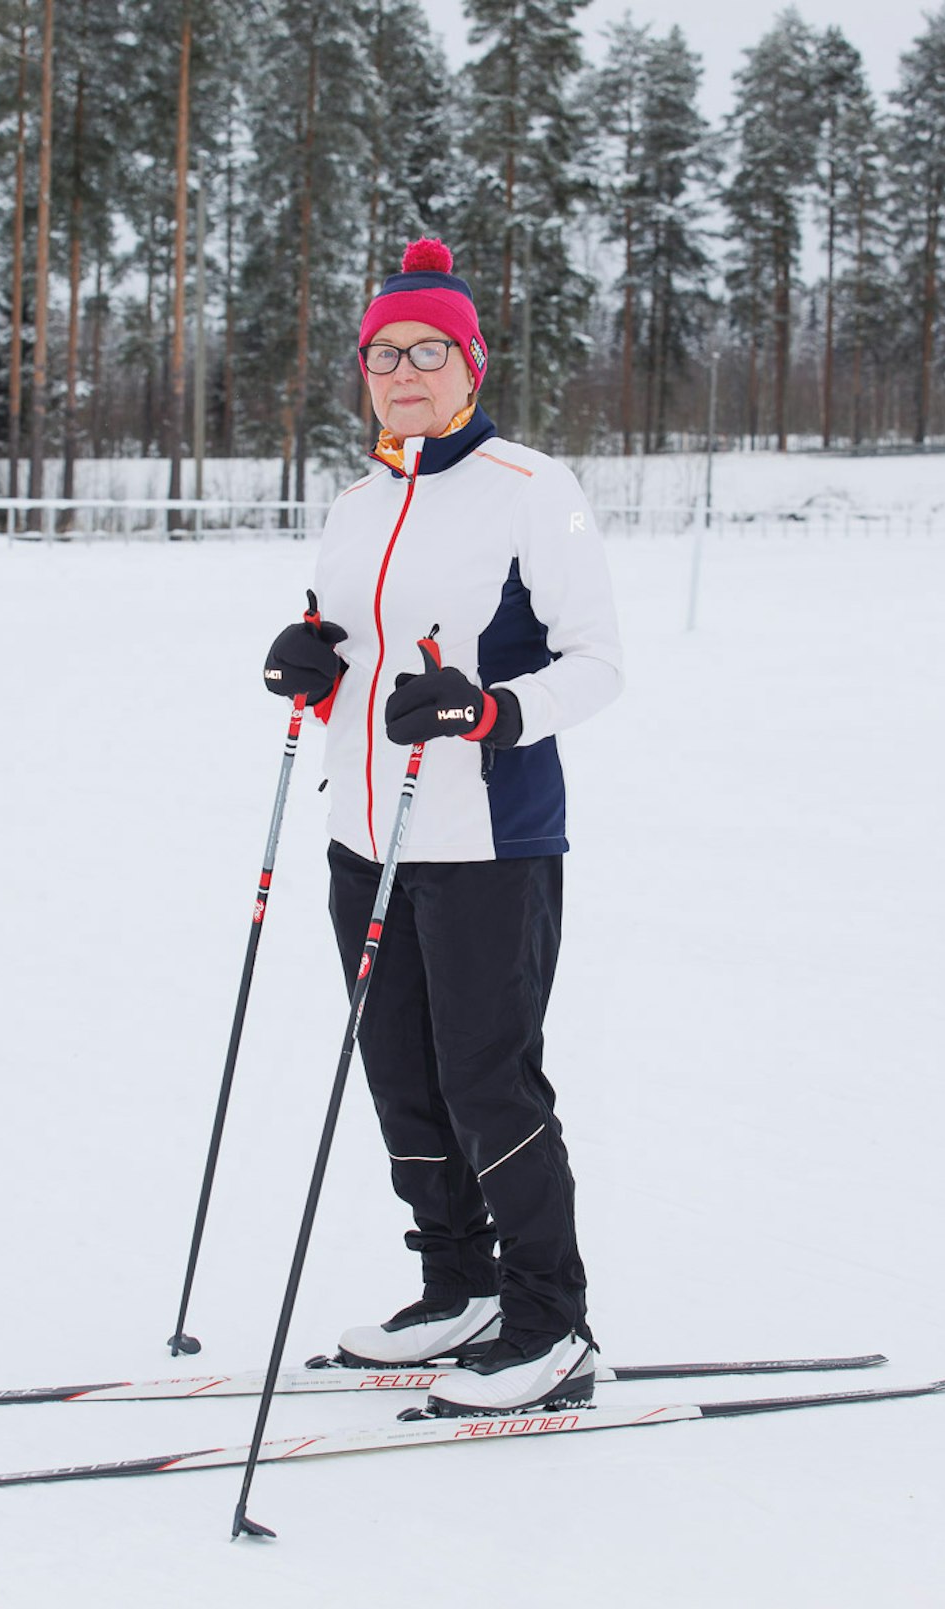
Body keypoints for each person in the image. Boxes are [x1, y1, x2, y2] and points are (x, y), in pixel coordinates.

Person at [263, 237, 622, 1415]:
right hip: (364, 833)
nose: (403, 371)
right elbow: (346, 638)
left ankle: (548, 1321)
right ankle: (456, 1288)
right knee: (401, 1072)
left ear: (471, 363)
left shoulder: (532, 489)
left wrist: (492, 709)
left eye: (428, 351)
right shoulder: (358, 500)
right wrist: (311, 660)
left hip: (488, 842)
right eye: (383, 353)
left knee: (488, 1079)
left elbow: (598, 664)